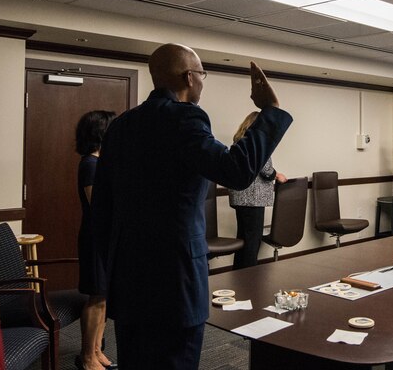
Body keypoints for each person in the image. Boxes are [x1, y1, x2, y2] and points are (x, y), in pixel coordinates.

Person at [91, 43, 292, 370]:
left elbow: (103, 206)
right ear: (189, 77)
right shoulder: (185, 118)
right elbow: (236, 171)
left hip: (129, 276)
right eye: (203, 74)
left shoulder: (121, 126)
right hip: (175, 280)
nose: (202, 80)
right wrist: (270, 110)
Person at [74, 110, 116, 370]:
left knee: (104, 298)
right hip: (95, 239)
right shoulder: (90, 164)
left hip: (106, 239)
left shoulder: (101, 162)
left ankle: (97, 350)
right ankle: (88, 357)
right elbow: (98, 205)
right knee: (96, 298)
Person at [228, 111, 287, 269]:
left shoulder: (239, 141)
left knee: (243, 241)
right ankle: (249, 279)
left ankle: (238, 276)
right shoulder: (256, 142)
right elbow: (265, 169)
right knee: (252, 244)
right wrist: (277, 175)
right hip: (253, 199)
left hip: (241, 198)